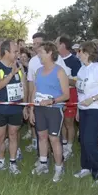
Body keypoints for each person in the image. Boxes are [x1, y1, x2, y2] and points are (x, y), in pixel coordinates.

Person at [74, 41, 98, 186]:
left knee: (90, 141)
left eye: (80, 51)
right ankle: (86, 167)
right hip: (84, 110)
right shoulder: (82, 70)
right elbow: (80, 92)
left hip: (96, 109)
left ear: (87, 53)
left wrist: (93, 99)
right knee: (83, 141)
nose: (77, 54)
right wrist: (79, 110)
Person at [27, 32, 71, 164]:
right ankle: (43, 163)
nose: (39, 55)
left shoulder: (59, 71)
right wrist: (31, 110)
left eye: (41, 52)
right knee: (42, 137)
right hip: (39, 109)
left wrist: (52, 101)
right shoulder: (39, 71)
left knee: (54, 139)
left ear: (50, 53)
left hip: (54, 109)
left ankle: (59, 167)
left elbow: (66, 95)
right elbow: (35, 90)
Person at [0, 40, 27, 174]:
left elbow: (24, 86)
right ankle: (1, 161)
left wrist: (25, 105)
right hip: (0, 108)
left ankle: (12, 162)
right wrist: (11, 73)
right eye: (15, 51)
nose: (18, 54)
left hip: (16, 108)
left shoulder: (19, 66)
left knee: (13, 134)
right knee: (0, 137)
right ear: (6, 52)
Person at [56, 35, 82, 160]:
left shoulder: (74, 61)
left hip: (71, 94)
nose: (55, 46)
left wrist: (64, 79)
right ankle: (64, 144)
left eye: (56, 43)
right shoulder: (56, 59)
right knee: (61, 121)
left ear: (62, 45)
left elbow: (78, 82)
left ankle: (70, 147)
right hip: (58, 94)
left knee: (69, 122)